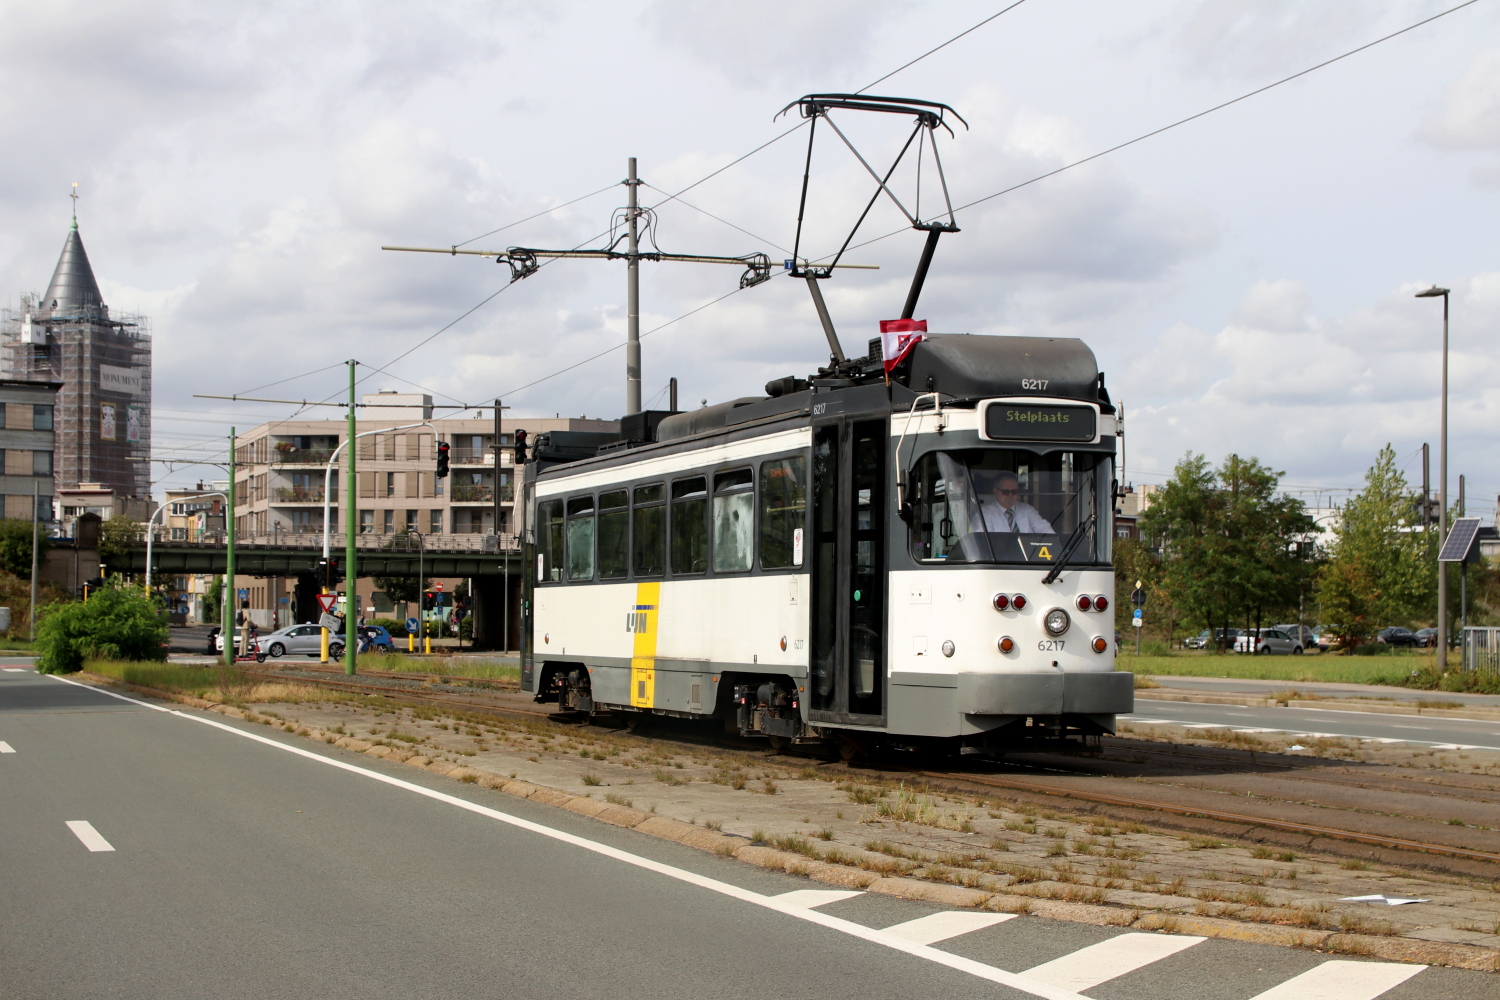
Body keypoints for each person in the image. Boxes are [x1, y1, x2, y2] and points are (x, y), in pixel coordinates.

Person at [979, 471, 1054, 533]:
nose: (1010, 495)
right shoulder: (984, 514)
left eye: (1014, 491)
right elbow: (983, 541)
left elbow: (1047, 532)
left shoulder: (1028, 510)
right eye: (1006, 492)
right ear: (995, 491)